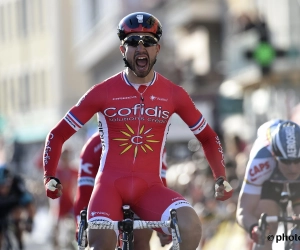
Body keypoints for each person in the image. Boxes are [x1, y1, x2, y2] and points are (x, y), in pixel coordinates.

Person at [42, 12, 233, 250]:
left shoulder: (173, 93)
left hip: (149, 188)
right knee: (102, 245)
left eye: (148, 42)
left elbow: (207, 136)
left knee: (191, 227)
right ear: (123, 50)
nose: (141, 47)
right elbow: (57, 134)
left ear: (157, 49)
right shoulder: (103, 91)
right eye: (133, 42)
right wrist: (49, 176)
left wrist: (220, 176)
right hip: (109, 188)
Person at [73, 131, 171, 249]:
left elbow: (160, 185)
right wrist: (80, 224)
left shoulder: (154, 142)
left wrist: (162, 221)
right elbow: (84, 191)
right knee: (102, 242)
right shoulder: (93, 145)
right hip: (106, 193)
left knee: (141, 241)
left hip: (140, 193)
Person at [236, 119, 300, 250]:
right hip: (269, 180)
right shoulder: (261, 161)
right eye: (286, 162)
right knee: (267, 231)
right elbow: (243, 212)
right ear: (274, 155)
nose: (293, 168)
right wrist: (254, 228)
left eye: (297, 161)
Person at [0, 165, 35, 250]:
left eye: (5, 186)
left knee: (17, 216)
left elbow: (29, 204)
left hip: (15, 206)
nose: (3, 190)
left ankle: (20, 243)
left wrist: (30, 221)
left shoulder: (17, 184)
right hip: (1, 208)